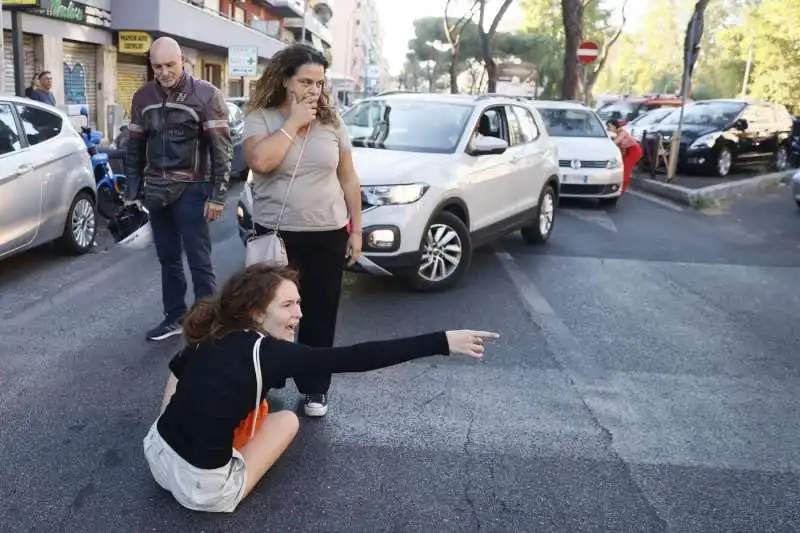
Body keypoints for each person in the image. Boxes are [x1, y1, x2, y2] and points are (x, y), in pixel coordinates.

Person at [143, 263, 499, 513]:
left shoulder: (215, 332)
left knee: (250, 403)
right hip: (204, 491)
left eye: (299, 302)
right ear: (255, 313)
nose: (299, 313)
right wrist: (442, 341)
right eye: (287, 305)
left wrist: (172, 425)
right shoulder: (270, 354)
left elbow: (176, 370)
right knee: (287, 420)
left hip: (156, 452)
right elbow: (358, 357)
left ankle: (178, 438)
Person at [243, 43, 362, 417]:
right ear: (284, 79)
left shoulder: (332, 122)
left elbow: (348, 178)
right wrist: (293, 123)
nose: (315, 90)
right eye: (306, 81)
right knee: (267, 314)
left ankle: (314, 387)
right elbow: (261, 161)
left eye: (319, 83)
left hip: (327, 233)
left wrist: (356, 230)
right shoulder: (260, 118)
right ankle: (266, 382)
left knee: (320, 313)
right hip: (278, 235)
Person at [124, 37, 232, 342]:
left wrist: (217, 196)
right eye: (157, 66)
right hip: (156, 191)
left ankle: (207, 322)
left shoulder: (207, 95)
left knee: (199, 259)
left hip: (194, 189)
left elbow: (222, 149)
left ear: (182, 60)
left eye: (170, 64)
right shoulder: (142, 97)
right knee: (167, 257)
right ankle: (174, 317)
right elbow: (134, 147)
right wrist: (133, 192)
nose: (164, 71)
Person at [607, 119, 643, 193]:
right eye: (607, 127)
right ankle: (621, 188)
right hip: (628, 151)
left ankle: (622, 189)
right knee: (623, 169)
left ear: (615, 126)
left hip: (634, 151)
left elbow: (615, 142)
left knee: (626, 170)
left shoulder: (621, 132)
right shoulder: (616, 133)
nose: (608, 128)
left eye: (609, 126)